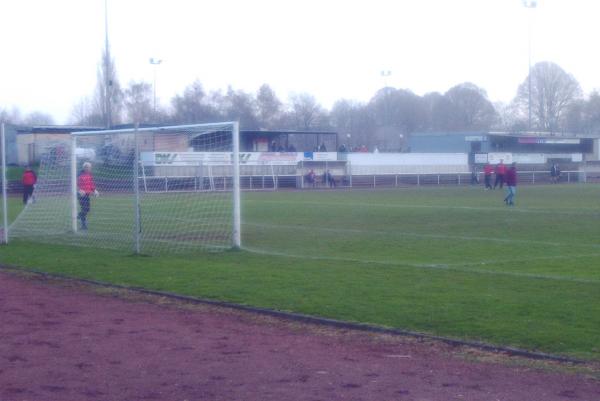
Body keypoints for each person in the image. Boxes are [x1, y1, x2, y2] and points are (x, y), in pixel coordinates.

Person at [77, 162, 99, 230]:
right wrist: (79, 190)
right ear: (85, 168)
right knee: (84, 209)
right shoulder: (79, 175)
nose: (90, 168)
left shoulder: (90, 175)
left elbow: (91, 184)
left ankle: (78, 216)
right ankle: (83, 225)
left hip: (87, 194)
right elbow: (75, 184)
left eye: (90, 167)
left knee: (87, 209)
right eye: (89, 167)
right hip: (81, 194)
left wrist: (94, 190)